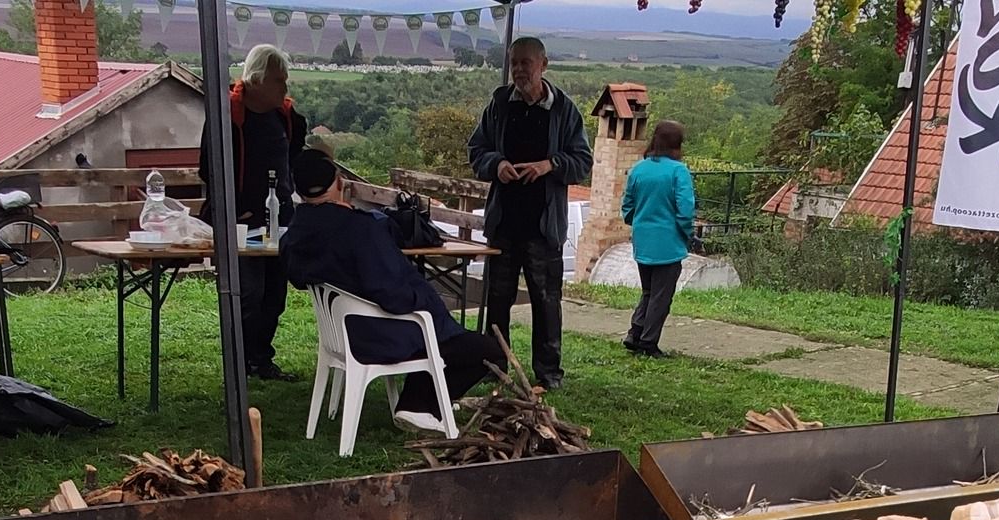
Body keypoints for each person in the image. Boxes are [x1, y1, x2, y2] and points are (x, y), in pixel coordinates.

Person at [278, 148, 505, 429]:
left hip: (343, 333)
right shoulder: (360, 230)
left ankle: (419, 401)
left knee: (445, 339)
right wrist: (421, 300)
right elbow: (392, 295)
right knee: (487, 350)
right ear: (339, 182)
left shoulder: (297, 230)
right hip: (382, 334)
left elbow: (298, 276)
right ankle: (420, 405)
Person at [466, 37, 591, 388]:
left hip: (543, 225)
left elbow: (582, 162)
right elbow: (477, 150)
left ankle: (548, 374)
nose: (519, 70)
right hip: (504, 222)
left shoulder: (564, 110)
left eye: (526, 63)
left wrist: (549, 165)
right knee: (497, 301)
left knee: (547, 303)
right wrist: (497, 163)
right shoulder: (500, 104)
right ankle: (496, 366)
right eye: (514, 63)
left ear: (543, 65)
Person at [197, 44, 304, 380]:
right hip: (240, 221)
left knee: (275, 295)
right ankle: (239, 362)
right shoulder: (227, 116)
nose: (284, 88)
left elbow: (295, 161)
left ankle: (260, 359)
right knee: (248, 293)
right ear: (257, 79)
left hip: (279, 219)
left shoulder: (286, 118)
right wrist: (234, 210)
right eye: (278, 80)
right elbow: (208, 169)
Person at [618, 120, 698, 358]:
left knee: (648, 291)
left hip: (643, 240)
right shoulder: (678, 171)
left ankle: (635, 333)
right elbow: (685, 210)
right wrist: (687, 233)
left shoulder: (639, 169)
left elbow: (627, 207)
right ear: (677, 145)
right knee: (661, 296)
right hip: (668, 242)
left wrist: (641, 222)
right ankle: (648, 342)